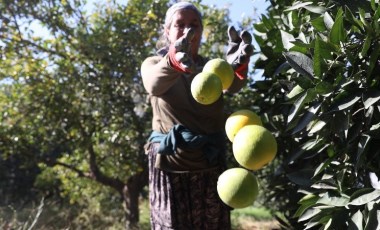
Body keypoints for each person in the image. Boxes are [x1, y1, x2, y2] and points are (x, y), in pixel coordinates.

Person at [140, 2, 253, 229]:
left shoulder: (210, 68)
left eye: (194, 25)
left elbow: (231, 87)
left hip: (209, 165)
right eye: (179, 24)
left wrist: (236, 69)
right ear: (167, 31)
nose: (186, 30)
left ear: (201, 32)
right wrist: (173, 61)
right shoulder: (153, 63)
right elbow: (153, 84)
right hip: (172, 164)